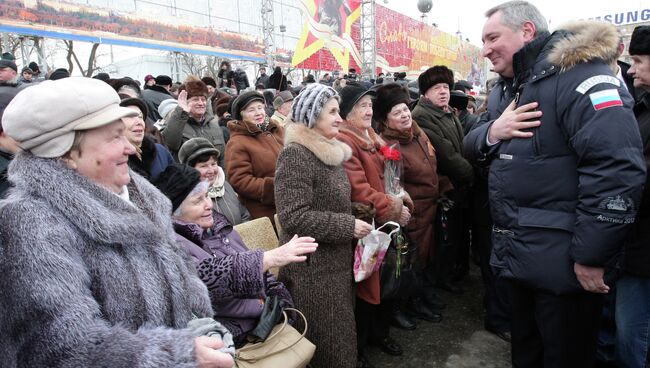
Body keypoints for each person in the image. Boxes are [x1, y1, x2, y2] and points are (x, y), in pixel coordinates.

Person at [0, 77, 234, 368]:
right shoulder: (31, 223)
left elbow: (181, 273)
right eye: (114, 137)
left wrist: (200, 324)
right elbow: (59, 347)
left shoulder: (139, 196)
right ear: (66, 153)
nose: (130, 148)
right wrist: (178, 354)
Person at [463, 2, 645, 367]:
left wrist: (591, 257)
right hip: (519, 261)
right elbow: (471, 144)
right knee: (526, 355)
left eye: (493, 38)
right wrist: (492, 133)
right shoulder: (509, 88)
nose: (485, 50)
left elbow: (617, 169)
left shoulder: (581, 76)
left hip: (565, 269)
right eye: (482, 41)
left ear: (527, 31)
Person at [153, 163, 316, 346]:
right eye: (198, 200)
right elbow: (205, 280)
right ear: (174, 212)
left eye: (207, 195)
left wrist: (280, 302)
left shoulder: (221, 228)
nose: (209, 205)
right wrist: (266, 263)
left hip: (264, 327)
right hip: (234, 342)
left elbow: (264, 275)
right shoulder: (171, 246)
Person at [275, 83, 372, 368]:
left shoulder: (328, 152)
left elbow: (323, 202)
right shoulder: (296, 155)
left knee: (339, 342)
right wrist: (348, 225)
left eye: (338, 111)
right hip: (312, 273)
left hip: (333, 266)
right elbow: (294, 216)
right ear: (311, 115)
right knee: (329, 350)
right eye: (331, 112)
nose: (339, 118)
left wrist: (357, 211)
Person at [336, 84, 412, 366]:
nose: (369, 111)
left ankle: (380, 334)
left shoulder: (372, 136)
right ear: (346, 114)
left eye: (370, 105)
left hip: (385, 224)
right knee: (367, 287)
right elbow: (360, 191)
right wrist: (395, 207)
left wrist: (400, 196)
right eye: (361, 106)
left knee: (386, 281)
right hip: (367, 227)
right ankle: (359, 346)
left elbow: (388, 178)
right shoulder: (346, 141)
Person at [375, 83, 443, 329]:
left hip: (430, 210)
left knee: (425, 260)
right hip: (412, 215)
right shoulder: (389, 146)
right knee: (408, 263)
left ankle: (420, 299)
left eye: (405, 109)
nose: (404, 115)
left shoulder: (417, 132)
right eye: (397, 112)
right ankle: (402, 307)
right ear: (385, 119)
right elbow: (393, 188)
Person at [412, 65, 474, 292]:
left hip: (456, 184)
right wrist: (472, 173)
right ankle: (443, 279)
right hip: (442, 187)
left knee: (455, 233)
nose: (443, 91)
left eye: (446, 87)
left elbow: (462, 145)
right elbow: (447, 155)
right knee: (444, 237)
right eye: (436, 87)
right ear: (425, 93)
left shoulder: (447, 111)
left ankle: (453, 272)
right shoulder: (422, 117)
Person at [617, 25, 650, 368]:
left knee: (632, 333)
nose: (632, 68)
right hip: (633, 242)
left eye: (639, 60)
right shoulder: (641, 105)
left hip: (643, 249)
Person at [225, 91, 284, 220]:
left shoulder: (277, 130)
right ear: (241, 115)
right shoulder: (237, 142)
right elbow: (239, 180)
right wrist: (274, 188)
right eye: (251, 110)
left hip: (292, 204)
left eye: (260, 108)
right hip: (266, 212)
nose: (258, 113)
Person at [178, 138, 250, 226]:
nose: (211, 171)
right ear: (190, 169)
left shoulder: (226, 186)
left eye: (213, 164)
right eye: (203, 166)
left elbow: (244, 215)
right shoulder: (187, 199)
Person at [162, 78, 226, 166]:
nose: (201, 103)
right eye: (195, 99)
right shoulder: (177, 124)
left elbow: (222, 159)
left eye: (203, 99)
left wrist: (223, 179)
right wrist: (181, 112)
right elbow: (170, 143)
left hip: (213, 176)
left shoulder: (215, 127)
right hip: (189, 177)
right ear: (185, 102)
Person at [120, 97, 174, 180]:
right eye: (131, 117)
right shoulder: (115, 159)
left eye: (140, 117)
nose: (139, 122)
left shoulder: (160, 151)